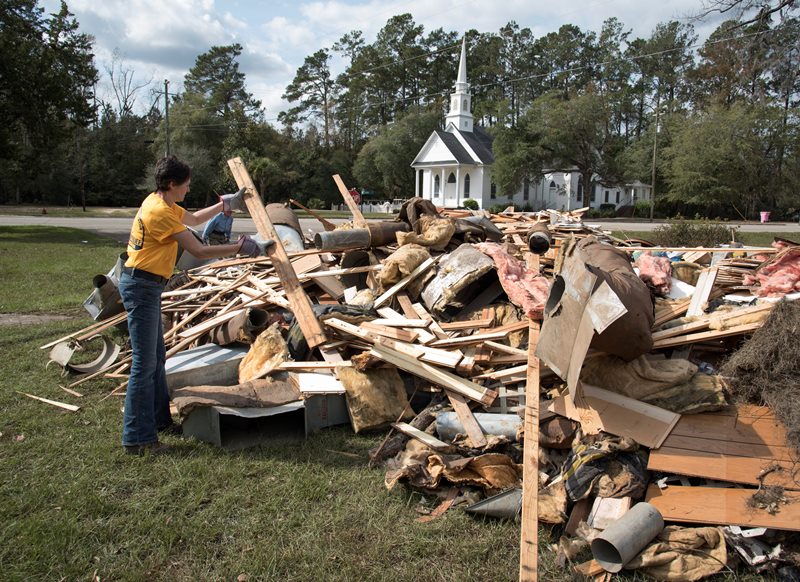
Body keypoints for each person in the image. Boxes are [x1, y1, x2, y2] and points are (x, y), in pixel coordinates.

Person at [119, 155, 271, 455]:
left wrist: (226, 205)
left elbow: (195, 219)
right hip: (141, 287)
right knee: (143, 366)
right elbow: (199, 250)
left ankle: (159, 422)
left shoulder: (159, 201)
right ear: (172, 184)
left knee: (156, 361)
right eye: (186, 186)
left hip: (146, 284)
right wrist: (240, 247)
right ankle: (137, 439)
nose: (188, 190)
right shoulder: (159, 212)